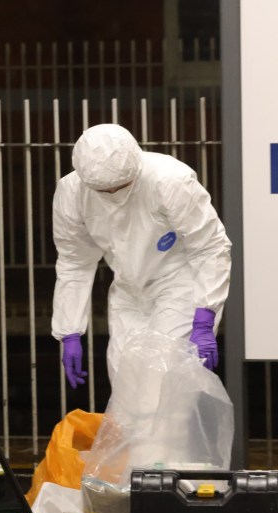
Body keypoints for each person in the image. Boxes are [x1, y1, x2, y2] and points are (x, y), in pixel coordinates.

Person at [51, 123, 232, 388]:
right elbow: (74, 261)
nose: (114, 196)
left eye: (122, 187)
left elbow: (209, 245)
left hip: (179, 284)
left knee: (165, 383)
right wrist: (69, 331)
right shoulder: (71, 192)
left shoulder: (169, 180)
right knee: (126, 382)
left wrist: (205, 316)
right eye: (105, 191)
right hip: (128, 290)